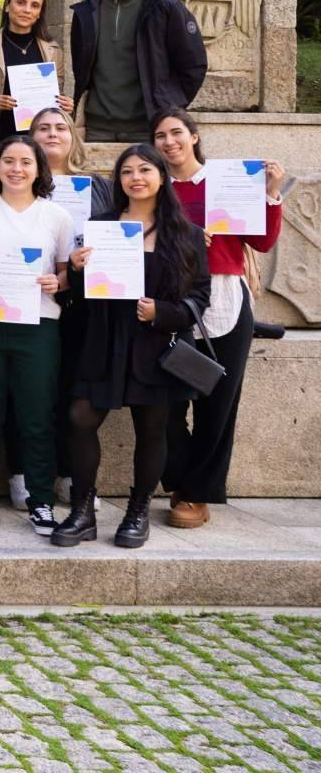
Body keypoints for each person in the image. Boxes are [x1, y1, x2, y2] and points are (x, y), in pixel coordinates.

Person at [56, 144, 211, 548]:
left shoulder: (187, 233)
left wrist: (163, 312)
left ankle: (137, 511)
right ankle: (82, 511)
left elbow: (199, 296)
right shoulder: (101, 226)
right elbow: (83, 296)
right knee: (80, 417)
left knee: (152, 428)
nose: (135, 178)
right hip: (104, 339)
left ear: (161, 177)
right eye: (127, 171)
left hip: (155, 344)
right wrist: (77, 270)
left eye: (145, 170)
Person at [152, 108, 286, 530]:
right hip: (171, 300)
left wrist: (270, 193)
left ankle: (197, 493)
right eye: (160, 136)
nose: (169, 142)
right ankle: (179, 478)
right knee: (164, 403)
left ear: (194, 136)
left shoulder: (227, 181)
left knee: (218, 404)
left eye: (176, 132)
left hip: (225, 297)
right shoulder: (153, 186)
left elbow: (260, 242)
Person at [0, 136, 75, 537]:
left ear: (39, 169)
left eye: (26, 161)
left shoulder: (56, 216)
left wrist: (58, 282)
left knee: (37, 415)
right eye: (9, 161)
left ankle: (40, 501)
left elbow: (65, 272)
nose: (17, 169)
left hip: (38, 324)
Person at [30, 104, 112, 508]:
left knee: (74, 389)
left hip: (83, 305)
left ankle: (70, 476)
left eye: (60, 127)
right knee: (32, 391)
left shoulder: (97, 186)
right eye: (43, 128)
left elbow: (116, 236)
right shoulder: (19, 182)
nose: (52, 134)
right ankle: (29, 473)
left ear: (72, 137)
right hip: (30, 299)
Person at [69, 0, 208, 143]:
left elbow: (194, 65)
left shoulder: (164, 8)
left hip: (148, 128)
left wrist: (167, 108)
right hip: (96, 129)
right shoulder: (85, 12)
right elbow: (81, 68)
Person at [0, 0, 71, 144]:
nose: (27, 10)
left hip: (40, 140)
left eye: (35, 5)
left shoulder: (53, 51)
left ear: (39, 13)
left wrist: (65, 105)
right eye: (21, 2)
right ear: (7, 6)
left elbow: (56, 97)